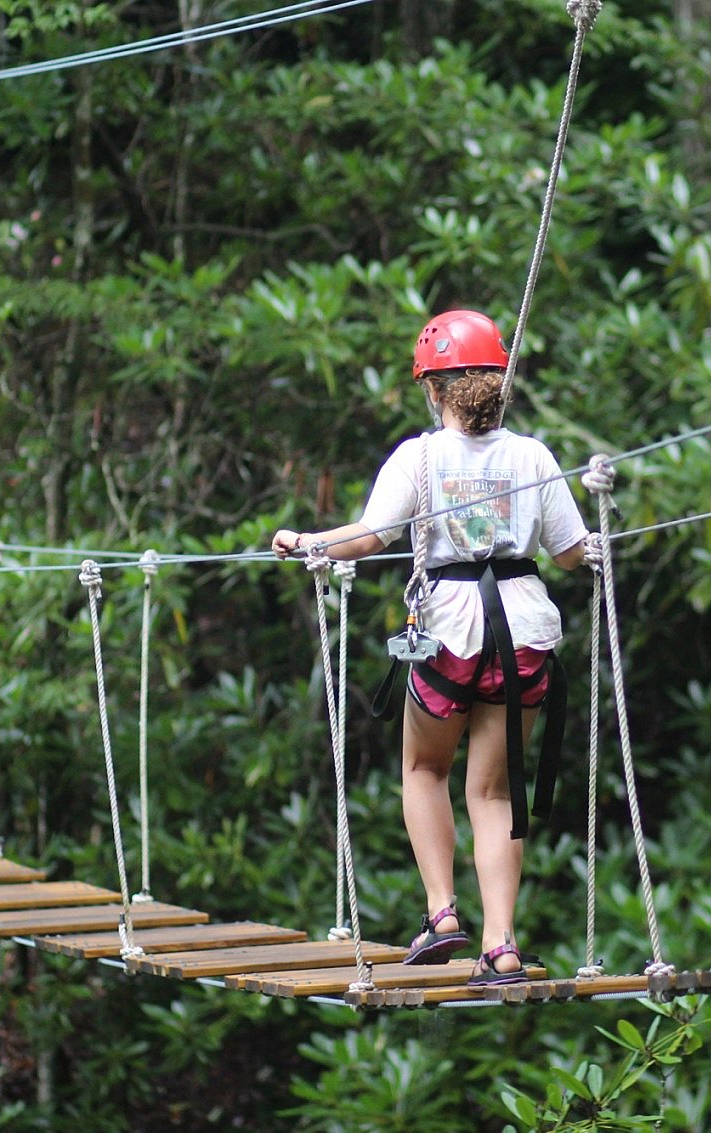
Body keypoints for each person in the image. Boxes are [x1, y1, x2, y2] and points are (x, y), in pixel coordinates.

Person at [272, 310, 609, 985]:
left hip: (451, 629)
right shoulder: (533, 456)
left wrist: (307, 543)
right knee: (493, 791)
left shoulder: (420, 458)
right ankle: (502, 944)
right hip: (522, 632)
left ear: (434, 389)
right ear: (498, 383)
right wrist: (599, 521)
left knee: (425, 771)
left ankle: (442, 913)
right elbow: (571, 555)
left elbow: (369, 536)